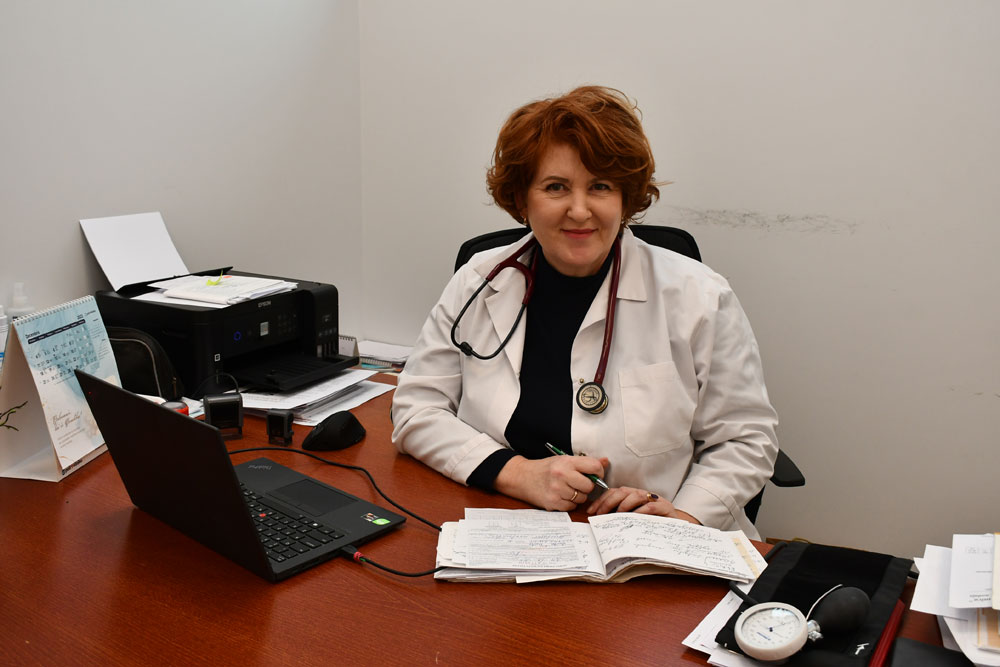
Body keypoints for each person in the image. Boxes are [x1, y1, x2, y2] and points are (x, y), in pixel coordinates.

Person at [391, 85, 778, 538]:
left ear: (625, 198)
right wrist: (516, 473)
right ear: (522, 199)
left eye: (600, 187)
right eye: (556, 187)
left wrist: (685, 517)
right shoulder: (478, 281)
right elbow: (417, 409)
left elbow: (746, 439)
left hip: (654, 546)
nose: (579, 211)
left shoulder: (699, 296)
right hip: (508, 529)